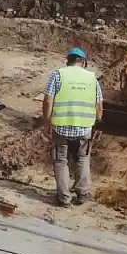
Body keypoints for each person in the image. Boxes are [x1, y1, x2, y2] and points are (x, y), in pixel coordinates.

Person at [42, 48, 103, 207]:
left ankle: (64, 198)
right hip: (83, 128)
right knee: (83, 158)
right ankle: (82, 194)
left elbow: (48, 101)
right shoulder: (92, 78)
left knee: (61, 161)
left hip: (61, 127)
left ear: (68, 60)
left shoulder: (57, 75)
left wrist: (47, 123)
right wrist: (96, 124)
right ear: (83, 62)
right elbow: (99, 106)